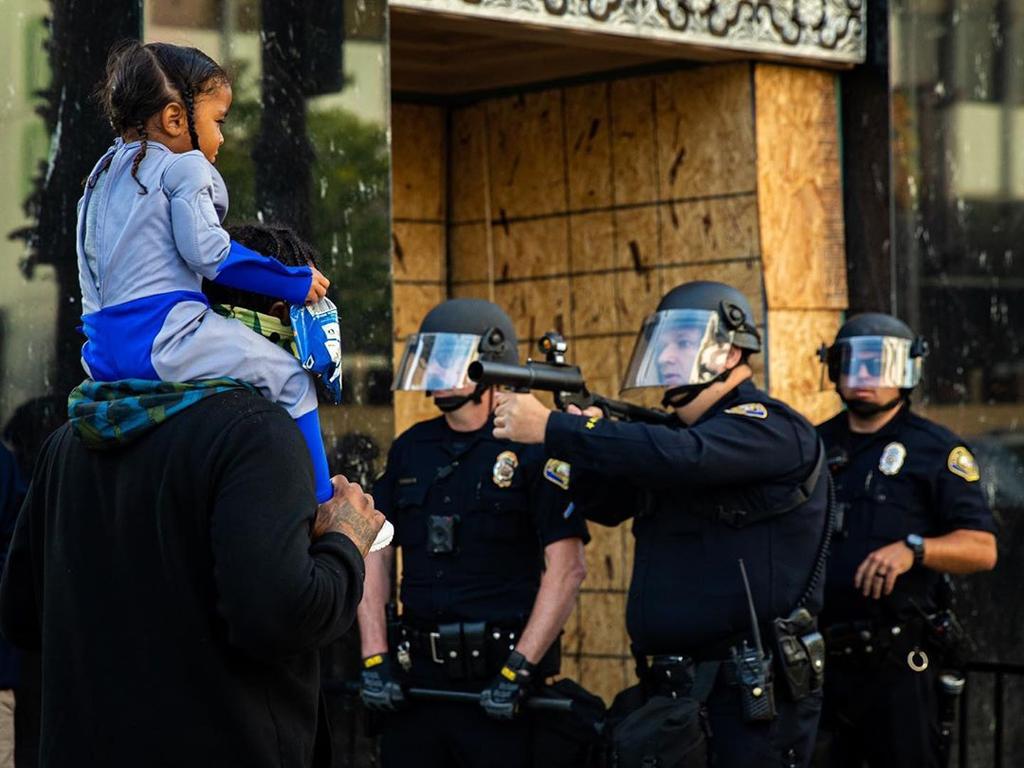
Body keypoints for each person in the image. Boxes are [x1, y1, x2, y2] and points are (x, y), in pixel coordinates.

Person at [0, 224, 385, 768]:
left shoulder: (72, 440)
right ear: (282, 314)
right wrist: (346, 540)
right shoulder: (257, 431)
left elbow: (20, 614)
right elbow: (281, 616)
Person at [494, 281, 829, 768]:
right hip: (676, 696)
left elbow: (684, 459)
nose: (667, 354)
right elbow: (608, 503)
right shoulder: (675, 439)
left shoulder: (769, 426)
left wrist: (556, 428)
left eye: (682, 342)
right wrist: (574, 439)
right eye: (663, 342)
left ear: (731, 349)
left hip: (748, 698)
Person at [77, 40, 336, 503]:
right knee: (291, 380)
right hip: (163, 337)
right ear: (176, 119)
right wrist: (293, 282)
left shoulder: (98, 176)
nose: (222, 138)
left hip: (99, 355)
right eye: (219, 122)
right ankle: (320, 501)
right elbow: (211, 254)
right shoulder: (185, 168)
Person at [356, 299, 589, 768]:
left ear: (491, 361)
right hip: (416, 681)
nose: (436, 368)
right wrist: (374, 657)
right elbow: (374, 548)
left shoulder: (531, 447)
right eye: (432, 356)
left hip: (498, 685)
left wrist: (518, 669)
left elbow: (567, 570)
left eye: (450, 357)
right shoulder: (411, 449)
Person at [814, 313, 997, 768]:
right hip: (820, 664)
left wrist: (916, 549)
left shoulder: (936, 450)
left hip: (897, 665)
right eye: (852, 364)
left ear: (908, 371)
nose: (864, 377)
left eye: (880, 365)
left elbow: (982, 549)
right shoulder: (811, 448)